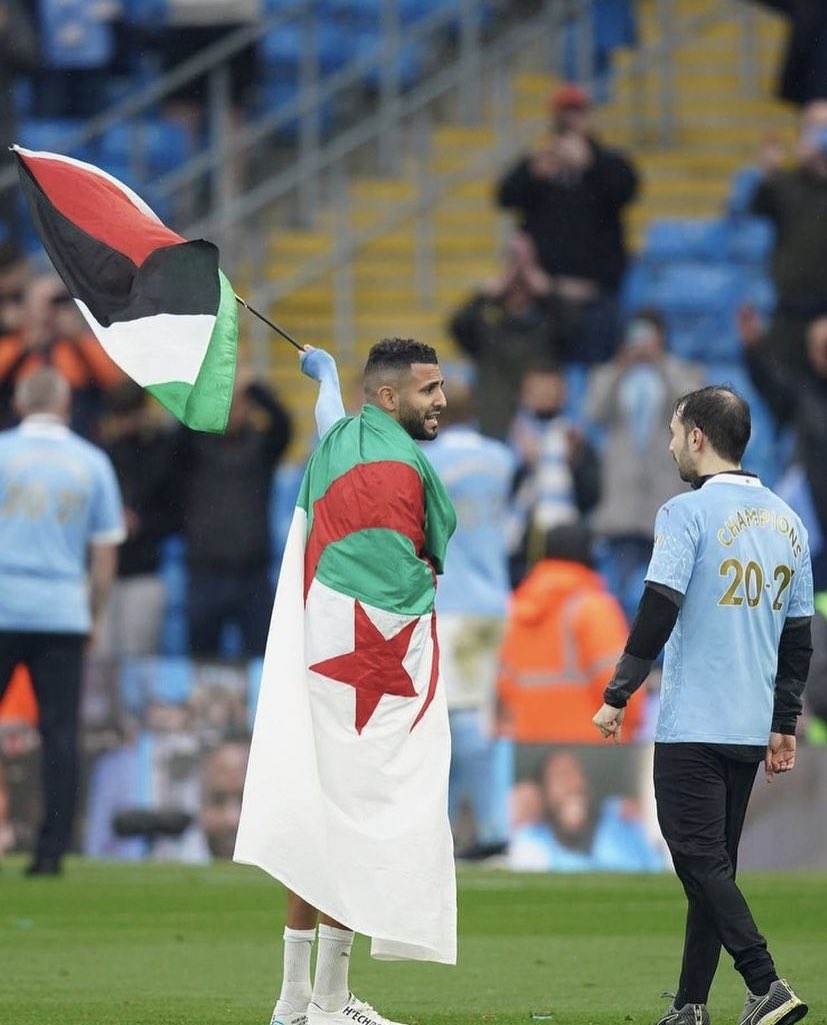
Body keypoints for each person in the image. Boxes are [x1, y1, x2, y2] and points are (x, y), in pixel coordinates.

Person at [234, 339, 458, 1025]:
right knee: (358, 816)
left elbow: (333, 423)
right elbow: (397, 578)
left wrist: (324, 378)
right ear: (388, 398)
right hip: (370, 667)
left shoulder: (346, 441)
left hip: (323, 657)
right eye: (428, 389)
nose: (442, 400)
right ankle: (328, 1001)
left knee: (318, 810)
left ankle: (296, 998)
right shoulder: (393, 468)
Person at [592, 386, 814, 1025]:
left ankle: (765, 983)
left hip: (694, 723)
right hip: (748, 727)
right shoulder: (788, 522)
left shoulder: (685, 514)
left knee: (696, 860)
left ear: (697, 437)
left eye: (672, 431)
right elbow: (798, 637)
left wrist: (618, 693)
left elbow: (659, 604)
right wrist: (783, 722)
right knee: (711, 870)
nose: (667, 444)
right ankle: (690, 1007)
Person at [0, 367, 125, 875]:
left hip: (3, 602)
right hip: (61, 612)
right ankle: (50, 854)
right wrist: (92, 613)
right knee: (59, 734)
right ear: (67, 405)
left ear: (20, 403)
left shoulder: (2, 452)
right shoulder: (92, 462)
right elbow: (104, 555)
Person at [426, 369, 514, 859]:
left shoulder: (425, 461)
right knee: (467, 715)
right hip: (494, 598)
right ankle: (460, 827)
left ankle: (491, 829)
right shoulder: (501, 459)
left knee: (458, 719)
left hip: (450, 602)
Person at [496, 83, 639, 364]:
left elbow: (627, 189)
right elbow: (504, 196)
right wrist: (532, 173)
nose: (570, 121)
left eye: (577, 112)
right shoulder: (541, 163)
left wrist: (591, 163)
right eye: (565, 113)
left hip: (596, 294)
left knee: (598, 366)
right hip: (546, 293)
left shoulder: (607, 161)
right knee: (544, 371)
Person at [586, 309, 704, 621]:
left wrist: (661, 362)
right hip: (621, 504)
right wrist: (620, 366)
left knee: (669, 591)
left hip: (666, 500)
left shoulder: (682, 371)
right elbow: (593, 411)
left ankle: (660, 660)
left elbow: (695, 406)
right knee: (617, 592)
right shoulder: (609, 374)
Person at [174, 371, 292, 659]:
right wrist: (214, 386)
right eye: (225, 403)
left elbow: (284, 424)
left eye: (238, 403)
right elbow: (180, 429)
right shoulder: (196, 449)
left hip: (251, 575)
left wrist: (253, 387)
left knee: (261, 663)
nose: (232, 410)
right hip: (204, 574)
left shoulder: (262, 448)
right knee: (201, 662)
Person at [498, 522, 635, 744]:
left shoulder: (515, 612)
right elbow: (625, 689)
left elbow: (503, 690)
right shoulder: (594, 609)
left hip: (529, 755)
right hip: (592, 753)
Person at [740, 305, 827, 590]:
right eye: (820, 346)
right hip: (815, 516)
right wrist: (754, 350)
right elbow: (771, 382)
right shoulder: (802, 395)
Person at [448, 231, 562, 439]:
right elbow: (457, 326)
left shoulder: (548, 323)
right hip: (494, 423)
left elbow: (574, 329)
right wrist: (489, 291)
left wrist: (546, 290)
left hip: (541, 431)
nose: (519, 283)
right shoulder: (487, 324)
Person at [96, 381, 179, 658]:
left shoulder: (161, 452)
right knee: (102, 658)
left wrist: (140, 522)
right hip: (104, 572)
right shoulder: (104, 451)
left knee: (138, 658)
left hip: (144, 569)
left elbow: (174, 515)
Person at [749, 100, 827, 373]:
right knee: (780, 388)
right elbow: (757, 208)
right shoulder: (788, 184)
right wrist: (770, 172)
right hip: (790, 312)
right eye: (813, 128)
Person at [507, 362, 601, 585]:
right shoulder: (515, 437)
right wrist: (524, 466)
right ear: (524, 395)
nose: (545, 396)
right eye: (537, 391)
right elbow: (502, 495)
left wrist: (574, 463)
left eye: (551, 390)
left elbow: (592, 497)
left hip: (566, 541)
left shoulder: (575, 439)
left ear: (564, 393)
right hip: (522, 543)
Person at [508, 748, 664, 873]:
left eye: (577, 774)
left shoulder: (620, 822)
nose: (573, 785)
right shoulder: (533, 843)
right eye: (561, 776)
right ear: (543, 793)